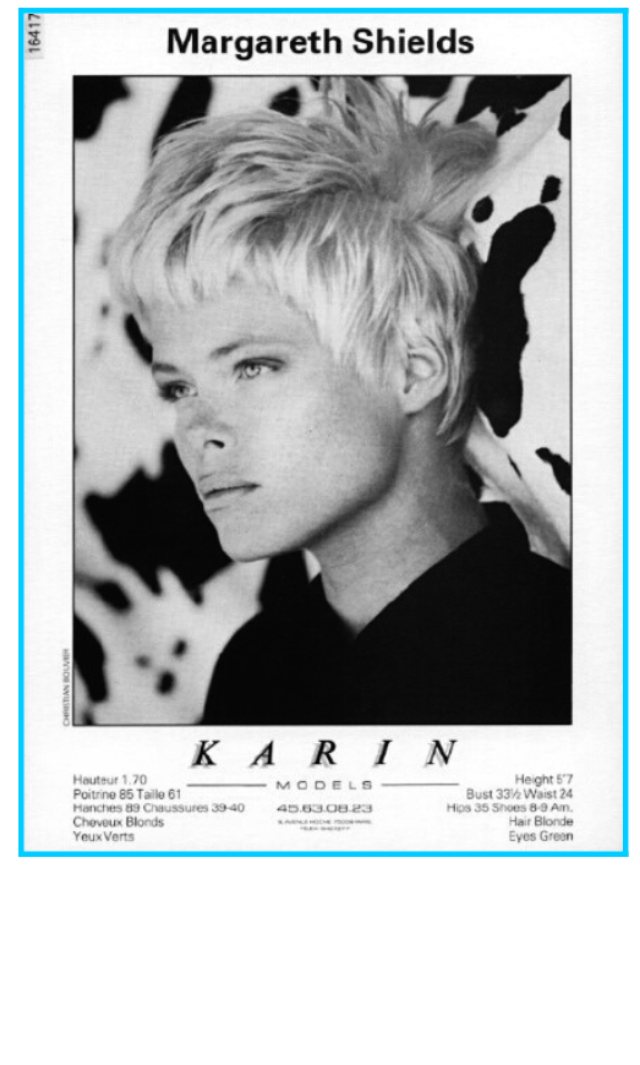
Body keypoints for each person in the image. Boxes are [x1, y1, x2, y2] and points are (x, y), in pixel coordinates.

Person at [111, 78, 571, 726]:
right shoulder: (256, 665)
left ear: (414, 368)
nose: (199, 431)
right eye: (178, 388)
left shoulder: (566, 657)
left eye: (252, 367)